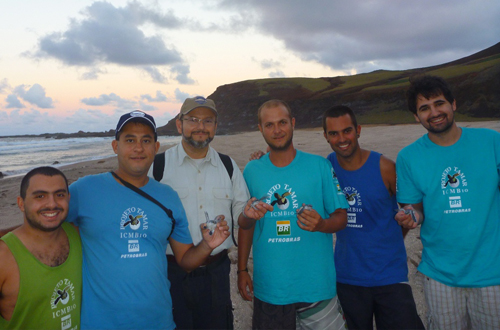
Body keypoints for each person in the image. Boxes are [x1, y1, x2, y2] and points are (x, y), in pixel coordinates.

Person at [66, 110, 230, 330]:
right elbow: (44, 227)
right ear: (116, 146)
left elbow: (186, 261)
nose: (138, 148)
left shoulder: (168, 196)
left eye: (146, 140)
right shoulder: (83, 190)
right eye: (130, 140)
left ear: (156, 147)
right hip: (100, 324)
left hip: (158, 322)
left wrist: (206, 245)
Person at [395, 75, 500, 329]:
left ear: (453, 104)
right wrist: (410, 216)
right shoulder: (408, 157)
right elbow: (415, 209)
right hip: (439, 273)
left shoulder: (491, 142)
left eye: (439, 103)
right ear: (416, 117)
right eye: (424, 108)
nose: (434, 112)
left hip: (491, 271)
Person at [148, 96, 259, 329]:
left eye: (208, 121)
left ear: (216, 127)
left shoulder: (227, 166)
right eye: (193, 120)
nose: (201, 126)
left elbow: (241, 213)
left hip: (216, 274)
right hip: (169, 274)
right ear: (180, 124)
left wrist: (248, 215)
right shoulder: (157, 166)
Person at [238, 100, 348, 329]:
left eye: (282, 122)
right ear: (260, 128)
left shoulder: (319, 166)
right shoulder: (251, 170)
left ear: (293, 123)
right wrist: (241, 269)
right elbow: (247, 225)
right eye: (269, 125)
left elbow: (341, 217)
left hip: (316, 287)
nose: (277, 130)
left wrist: (321, 224)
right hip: (270, 289)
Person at [323, 105, 424, 329]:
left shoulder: (385, 167)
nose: (342, 138)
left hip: (390, 276)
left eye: (347, 131)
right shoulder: (327, 167)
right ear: (326, 136)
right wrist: (266, 158)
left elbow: (409, 207)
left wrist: (397, 231)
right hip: (347, 277)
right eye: (334, 133)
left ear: (358, 130)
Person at [0, 167, 82, 330]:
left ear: (68, 199)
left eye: (59, 195)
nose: (52, 204)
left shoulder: (78, 235)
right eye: (40, 196)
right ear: (21, 203)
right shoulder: (4, 257)